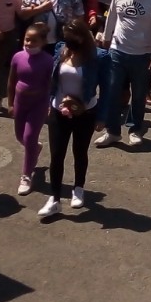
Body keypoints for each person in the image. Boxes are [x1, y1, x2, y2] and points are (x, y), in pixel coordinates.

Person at [94, 0, 151, 148]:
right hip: (117, 51)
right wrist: (106, 37)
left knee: (138, 95)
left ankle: (135, 130)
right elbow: (112, 14)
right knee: (112, 92)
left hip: (143, 55)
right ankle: (112, 131)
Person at [39, 17, 108, 219]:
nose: (69, 41)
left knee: (80, 152)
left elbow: (106, 88)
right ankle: (54, 199)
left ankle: (79, 188)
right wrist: (50, 102)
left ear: (83, 37)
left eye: (73, 38)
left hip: (86, 113)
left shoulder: (98, 57)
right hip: (59, 111)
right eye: (66, 37)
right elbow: (53, 81)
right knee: (56, 155)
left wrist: (102, 117)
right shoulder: (61, 49)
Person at [8, 21, 55, 194]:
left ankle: (26, 175)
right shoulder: (17, 57)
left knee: (28, 138)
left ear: (43, 42)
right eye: (27, 40)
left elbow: (51, 85)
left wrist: (50, 104)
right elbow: (11, 81)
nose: (29, 44)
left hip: (38, 104)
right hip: (21, 103)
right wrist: (10, 103)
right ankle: (35, 147)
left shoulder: (48, 61)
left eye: (34, 41)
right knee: (20, 137)